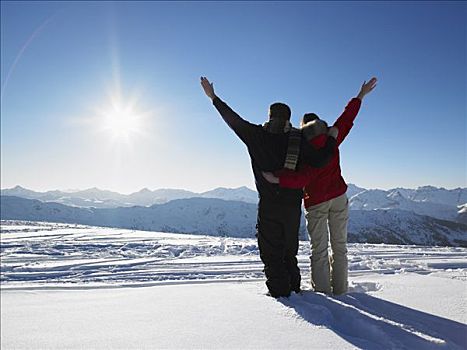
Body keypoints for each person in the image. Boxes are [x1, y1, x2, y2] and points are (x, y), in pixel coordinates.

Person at [200, 76, 337, 298]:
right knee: (288, 252)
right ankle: (293, 289)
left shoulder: (256, 136)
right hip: (292, 206)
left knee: (272, 253)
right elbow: (322, 160)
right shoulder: (298, 139)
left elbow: (233, 120)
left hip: (269, 206)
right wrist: (331, 139)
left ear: (269, 116)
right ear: (288, 120)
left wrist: (213, 98)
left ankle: (281, 294)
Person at [262, 77, 377, 295]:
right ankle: (341, 290)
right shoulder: (332, 139)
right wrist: (360, 95)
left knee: (319, 249)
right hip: (339, 197)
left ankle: (323, 293)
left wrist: (277, 179)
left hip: (316, 202)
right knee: (340, 247)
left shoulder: (304, 150)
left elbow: (301, 179)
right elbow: (346, 119)